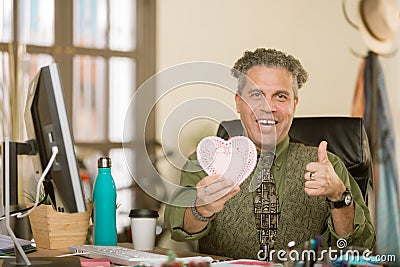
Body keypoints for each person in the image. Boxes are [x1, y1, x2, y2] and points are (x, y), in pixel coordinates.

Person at [164, 48, 375, 260]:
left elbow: (358, 247)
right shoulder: (209, 161)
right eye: (256, 95)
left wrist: (338, 197)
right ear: (238, 102)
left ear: (294, 104)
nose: (268, 107)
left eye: (280, 96)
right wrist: (202, 207)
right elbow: (178, 226)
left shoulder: (329, 167)